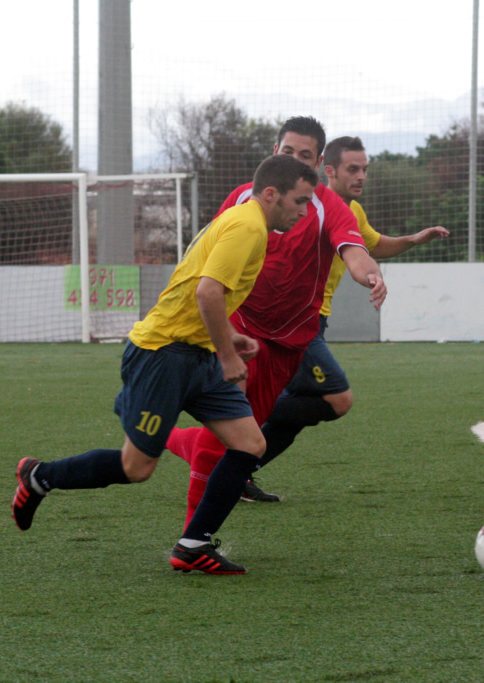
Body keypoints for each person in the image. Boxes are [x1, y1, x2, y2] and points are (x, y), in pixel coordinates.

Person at [11, 154, 319, 575]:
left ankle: (193, 544)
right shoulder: (247, 227)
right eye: (300, 201)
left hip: (197, 354)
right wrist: (229, 356)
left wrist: (227, 338)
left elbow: (199, 291)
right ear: (271, 194)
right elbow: (207, 292)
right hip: (163, 354)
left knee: (250, 445)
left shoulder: (246, 223)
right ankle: (39, 476)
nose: (304, 212)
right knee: (136, 468)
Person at [164, 117, 387, 527]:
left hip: (289, 343)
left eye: (305, 156)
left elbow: (354, 249)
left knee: (242, 436)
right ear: (274, 151)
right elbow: (211, 255)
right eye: (288, 152)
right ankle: (193, 539)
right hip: (242, 329)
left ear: (317, 163)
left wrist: (369, 273)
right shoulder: (243, 199)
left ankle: (172, 440)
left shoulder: (330, 207)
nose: (295, 161)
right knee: (235, 430)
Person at [244, 135, 450, 500]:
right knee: (336, 398)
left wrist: (413, 240)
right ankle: (232, 419)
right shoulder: (297, 208)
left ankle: (237, 470)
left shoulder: (350, 211)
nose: (361, 176)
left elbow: (370, 246)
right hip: (292, 323)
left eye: (365, 170)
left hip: (314, 322)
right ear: (329, 170)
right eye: (353, 169)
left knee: (300, 412)